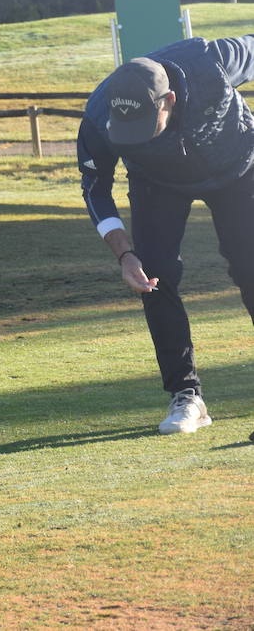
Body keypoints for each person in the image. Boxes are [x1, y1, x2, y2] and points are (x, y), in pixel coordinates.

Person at [78, 36, 254, 434]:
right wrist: (125, 256)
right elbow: (95, 189)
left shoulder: (210, 61)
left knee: (251, 267)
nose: (135, 136)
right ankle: (187, 397)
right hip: (157, 183)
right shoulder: (97, 117)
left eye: (144, 125)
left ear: (169, 100)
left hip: (238, 170)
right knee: (154, 276)